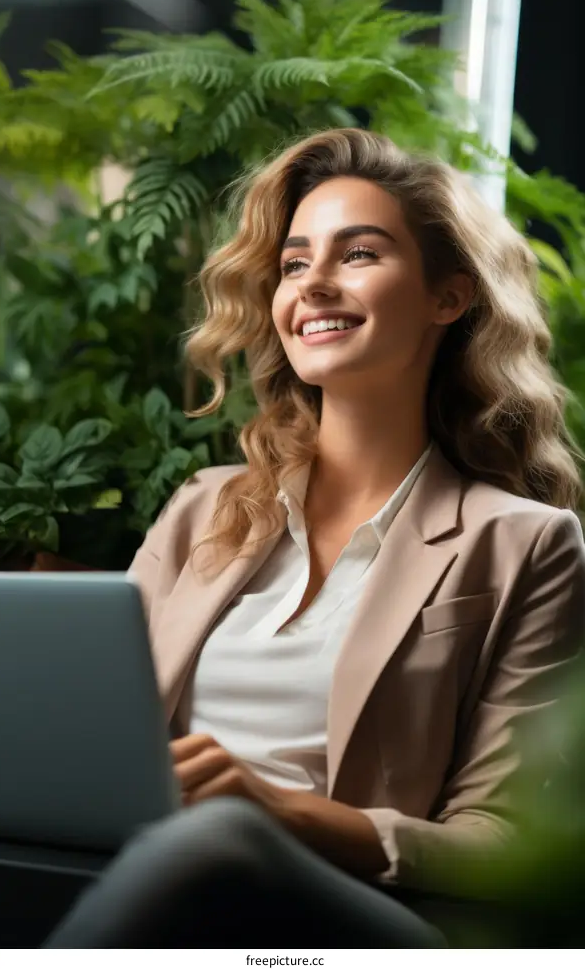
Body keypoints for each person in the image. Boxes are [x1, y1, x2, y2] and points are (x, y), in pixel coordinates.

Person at [47, 128, 585, 948]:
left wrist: (276, 810)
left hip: (370, 918)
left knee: (216, 838)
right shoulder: (203, 509)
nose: (315, 285)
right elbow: (93, 735)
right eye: (295, 264)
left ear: (450, 296)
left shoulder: (527, 544)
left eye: (358, 254)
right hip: (154, 878)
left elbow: (504, 847)